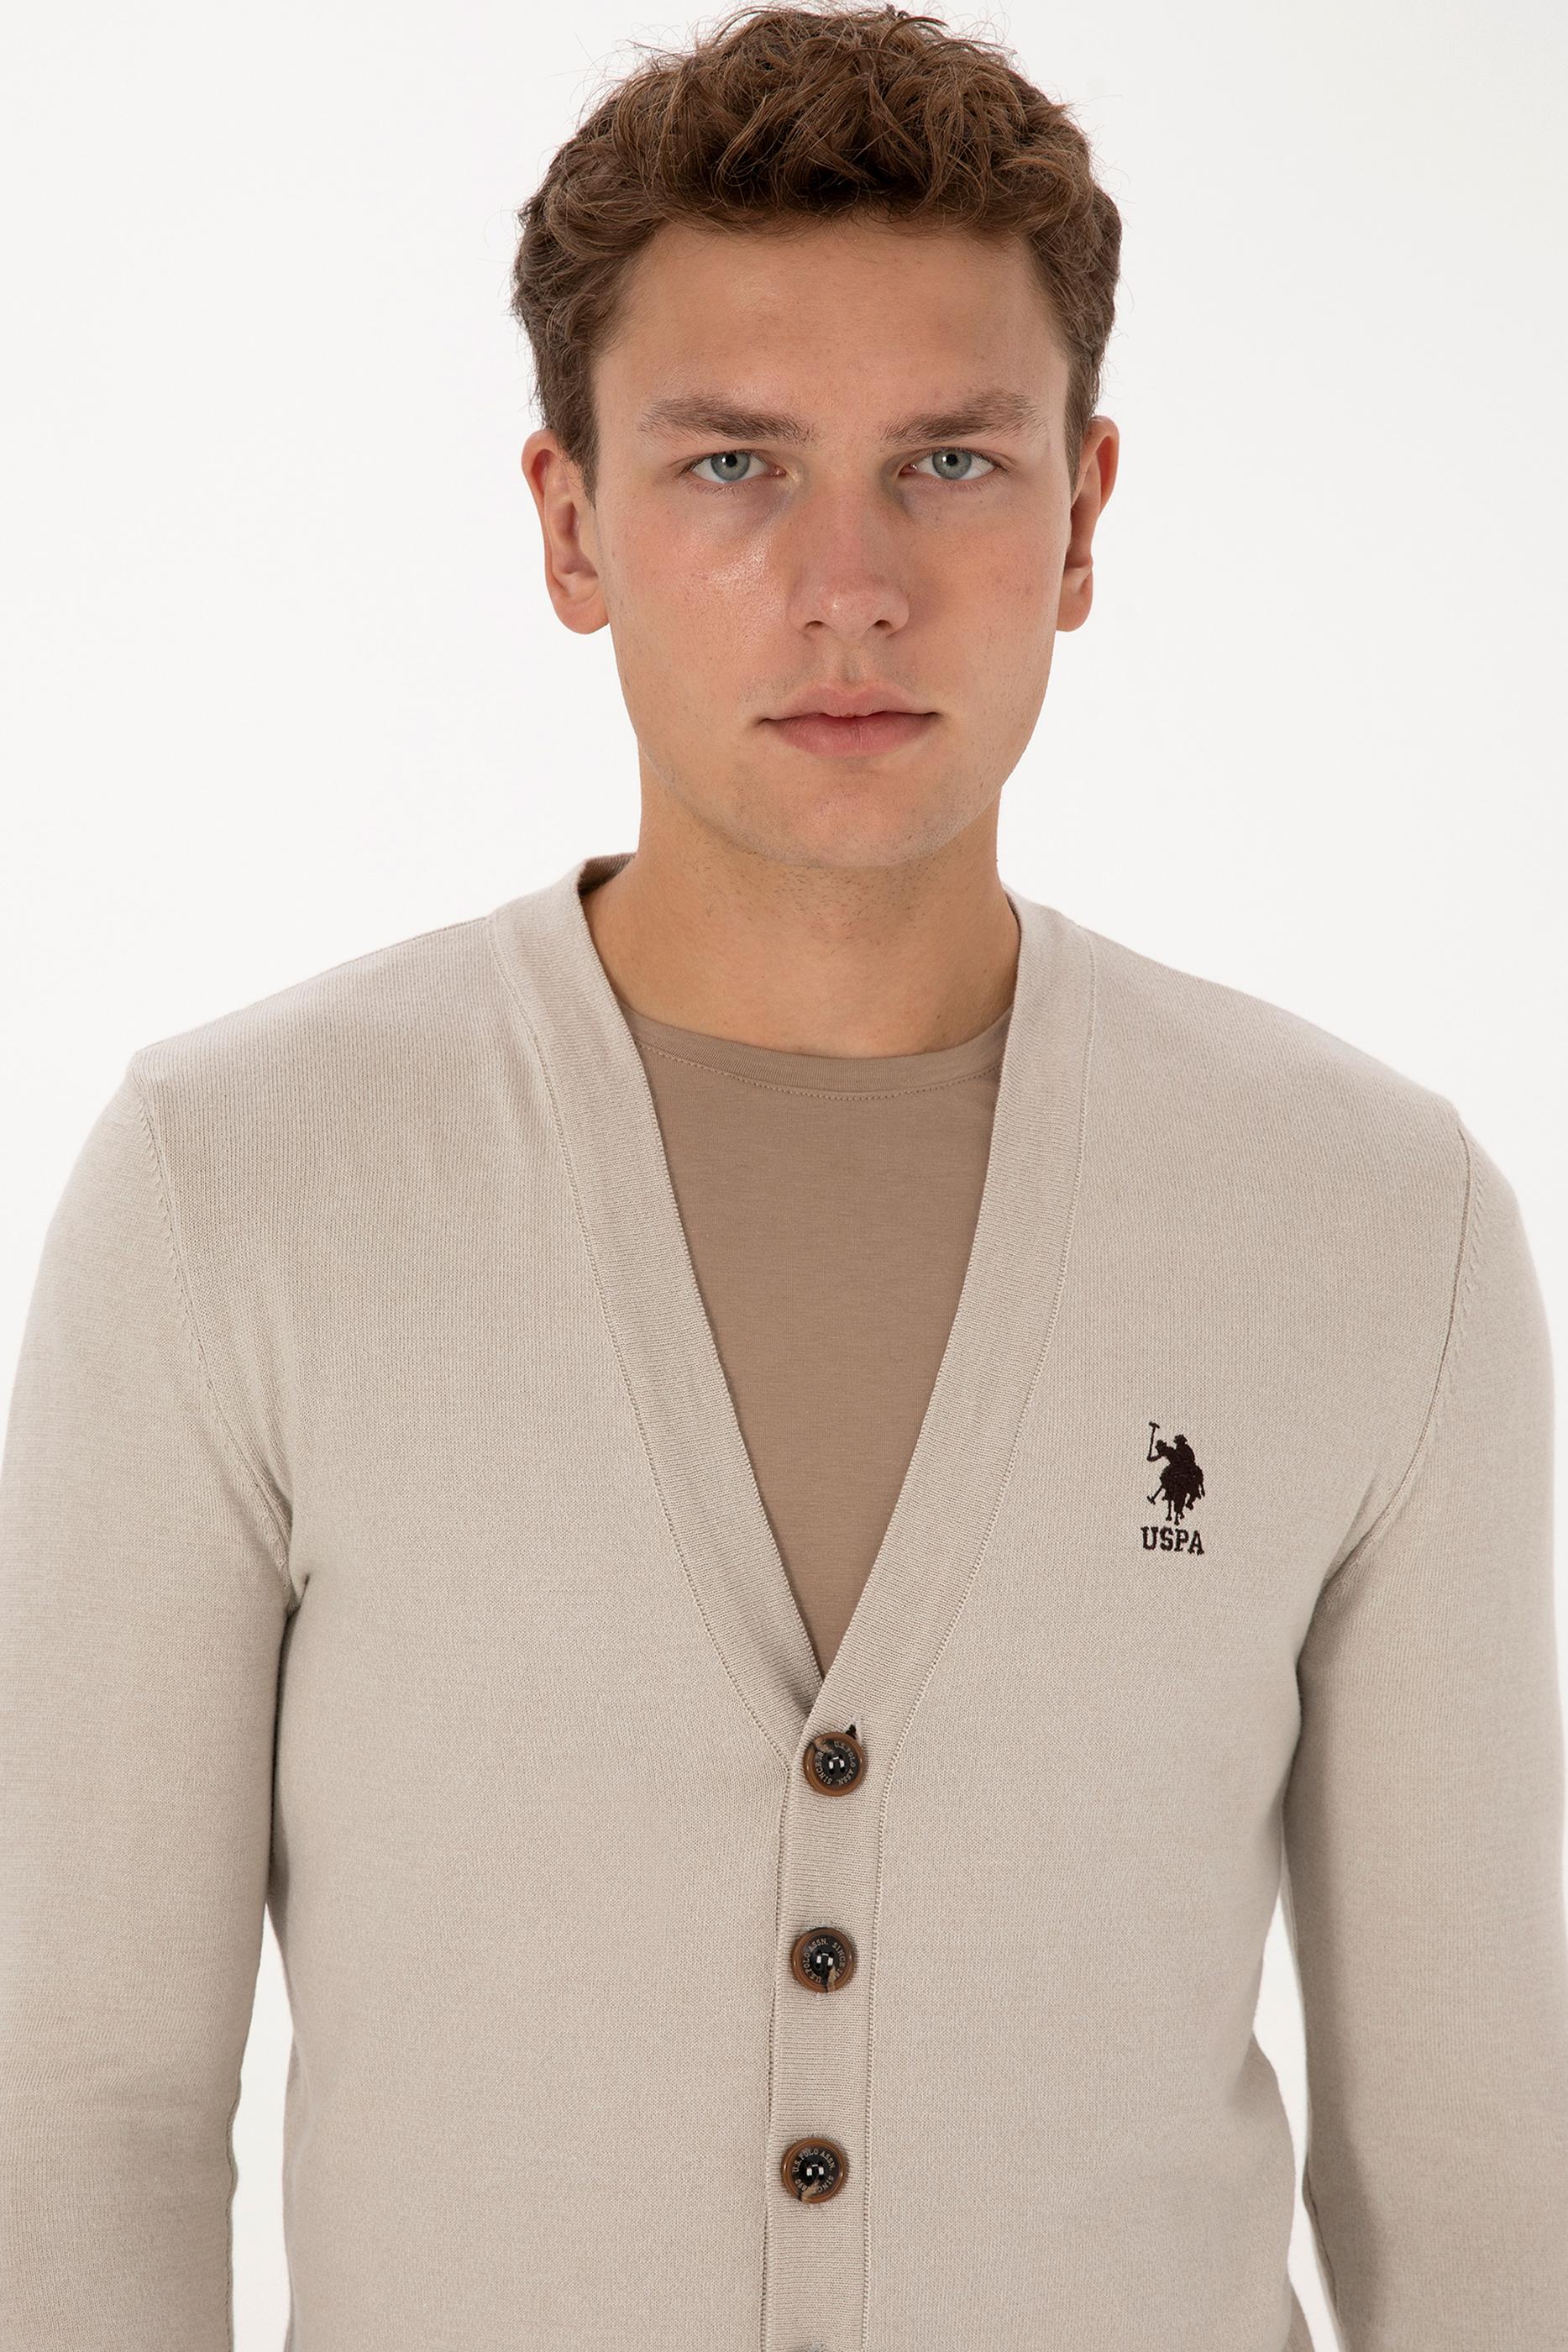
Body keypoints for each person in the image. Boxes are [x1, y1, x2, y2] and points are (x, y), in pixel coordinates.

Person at [2, 5, 1564, 2347]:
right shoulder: (237, 1190)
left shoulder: (1370, 1222)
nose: (849, 583)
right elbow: (82, 2111)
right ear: (570, 523)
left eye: (949, 462)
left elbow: (1469, 2166)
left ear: (1082, 517)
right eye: (732, 462)